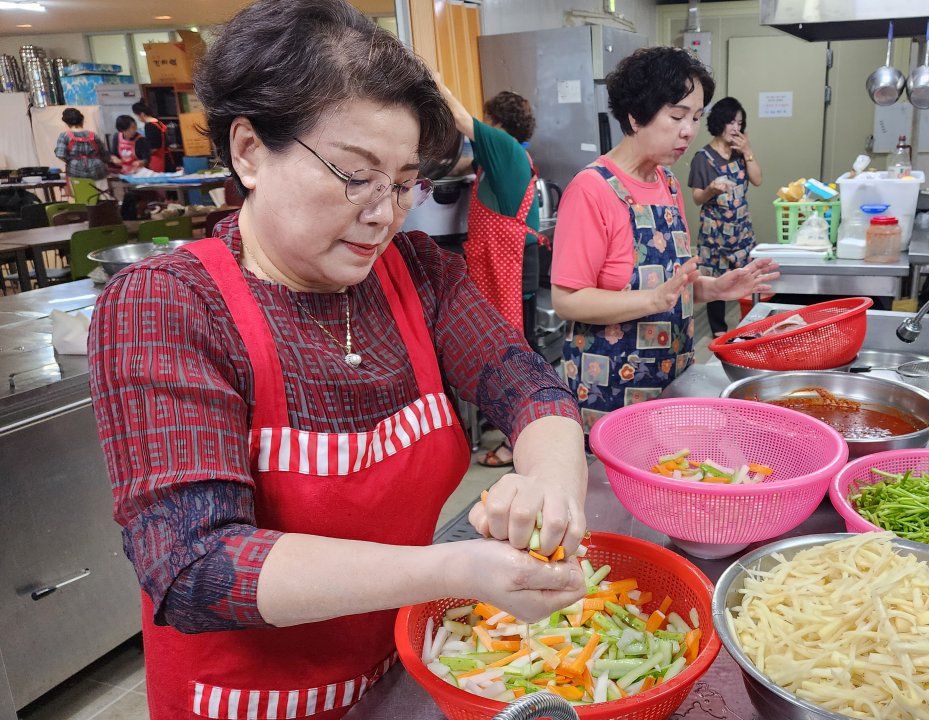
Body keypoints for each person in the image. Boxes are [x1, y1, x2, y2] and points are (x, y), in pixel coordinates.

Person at [88, 2, 587, 718]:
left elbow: (527, 384)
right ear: (250, 152)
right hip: (245, 704)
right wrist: (450, 569)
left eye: (404, 181)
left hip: (395, 677)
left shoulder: (418, 274)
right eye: (356, 174)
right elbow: (194, 568)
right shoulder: (168, 305)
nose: (385, 213)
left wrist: (553, 487)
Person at [550, 47, 779, 433]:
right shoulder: (591, 190)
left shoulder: (667, 182)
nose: (688, 130)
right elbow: (567, 300)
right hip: (611, 391)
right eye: (676, 116)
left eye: (695, 117)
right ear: (635, 116)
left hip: (672, 379)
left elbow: (672, 286)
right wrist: (651, 301)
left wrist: (713, 288)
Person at [434, 77, 542, 468]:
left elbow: (461, 118)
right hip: (504, 261)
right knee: (512, 346)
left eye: (487, 120)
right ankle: (519, 428)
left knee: (518, 353)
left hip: (512, 265)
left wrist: (434, 81)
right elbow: (463, 163)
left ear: (497, 123)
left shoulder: (505, 146)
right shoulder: (498, 156)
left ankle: (523, 438)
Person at [687, 97, 763, 338]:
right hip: (714, 233)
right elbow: (698, 198)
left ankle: (749, 328)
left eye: (740, 123)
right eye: (731, 122)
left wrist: (749, 151)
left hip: (741, 231)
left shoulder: (741, 153)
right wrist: (711, 189)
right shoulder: (703, 157)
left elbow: (758, 180)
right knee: (714, 281)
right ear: (719, 122)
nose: (736, 128)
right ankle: (719, 332)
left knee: (749, 278)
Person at [53, 107, 110, 198]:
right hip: (98, 171)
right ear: (82, 120)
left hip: (76, 173)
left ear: (66, 123)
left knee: (82, 200)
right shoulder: (92, 135)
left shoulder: (64, 136)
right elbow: (104, 153)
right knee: (103, 199)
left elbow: (60, 154)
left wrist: (71, 161)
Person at [132, 101, 173, 172]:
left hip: (159, 161)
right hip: (166, 158)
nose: (137, 118)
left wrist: (142, 155)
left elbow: (155, 147)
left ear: (142, 114)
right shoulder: (157, 122)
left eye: (136, 115)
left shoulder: (150, 126)